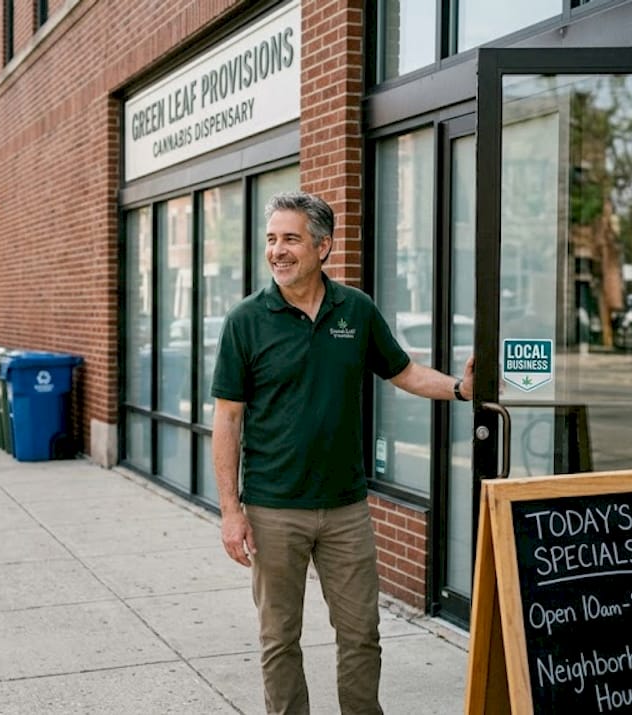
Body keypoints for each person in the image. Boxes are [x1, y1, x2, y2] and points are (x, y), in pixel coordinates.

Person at [211, 191, 474, 715]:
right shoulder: (246, 320)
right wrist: (230, 511)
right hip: (273, 507)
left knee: (361, 634)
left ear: (323, 246)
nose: (277, 251)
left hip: (346, 508)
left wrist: (460, 389)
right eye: (272, 239)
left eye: (291, 239)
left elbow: (404, 372)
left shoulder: (355, 309)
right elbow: (228, 418)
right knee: (279, 638)